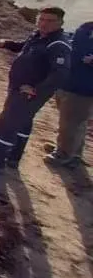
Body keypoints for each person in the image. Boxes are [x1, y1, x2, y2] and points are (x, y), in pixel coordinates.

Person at [0, 8, 72, 176]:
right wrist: (6, 43)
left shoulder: (59, 45)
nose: (44, 24)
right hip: (19, 88)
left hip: (29, 93)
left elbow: (59, 75)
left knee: (5, 123)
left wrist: (35, 91)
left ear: (60, 23)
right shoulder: (38, 36)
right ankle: (11, 157)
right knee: (23, 123)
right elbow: (23, 47)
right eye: (42, 19)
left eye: (50, 21)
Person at [46, 20, 92, 168]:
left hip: (83, 87)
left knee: (71, 122)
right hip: (69, 80)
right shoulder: (87, 26)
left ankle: (64, 154)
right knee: (72, 120)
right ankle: (73, 152)